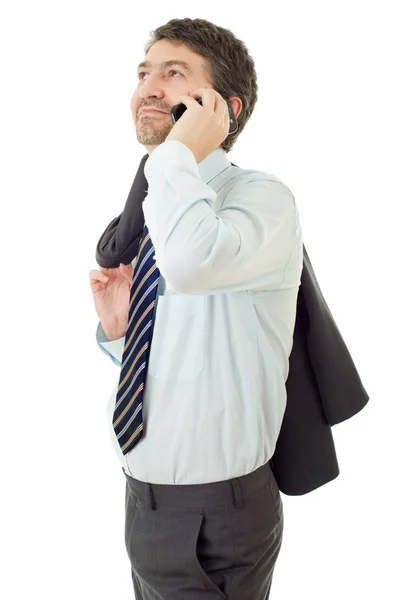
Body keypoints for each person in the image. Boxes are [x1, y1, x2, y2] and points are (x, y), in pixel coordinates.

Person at [89, 18, 303, 599]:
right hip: (143, 501)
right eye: (143, 73)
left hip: (217, 517)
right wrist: (121, 332)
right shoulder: (165, 206)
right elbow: (188, 356)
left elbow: (193, 265)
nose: (149, 86)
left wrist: (175, 155)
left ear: (224, 108)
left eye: (174, 73)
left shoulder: (259, 198)